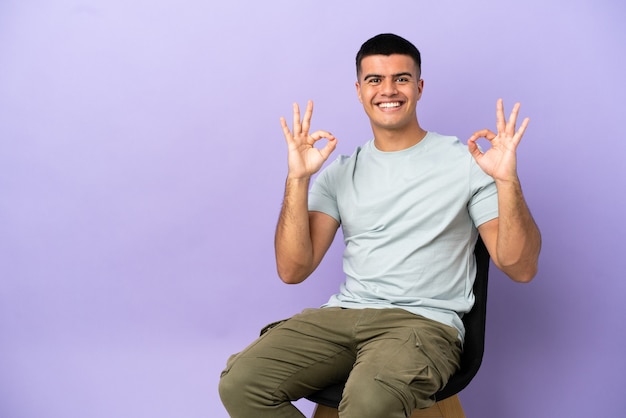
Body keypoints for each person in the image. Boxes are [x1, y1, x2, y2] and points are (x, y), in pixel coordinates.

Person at [218, 33, 541, 418]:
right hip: (343, 317)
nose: (388, 90)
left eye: (401, 78)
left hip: (422, 324)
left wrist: (506, 182)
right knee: (241, 383)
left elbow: (520, 268)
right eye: (375, 80)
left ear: (419, 87)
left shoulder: (467, 163)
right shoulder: (340, 172)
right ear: (359, 90)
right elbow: (292, 270)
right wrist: (297, 179)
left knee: (368, 403)